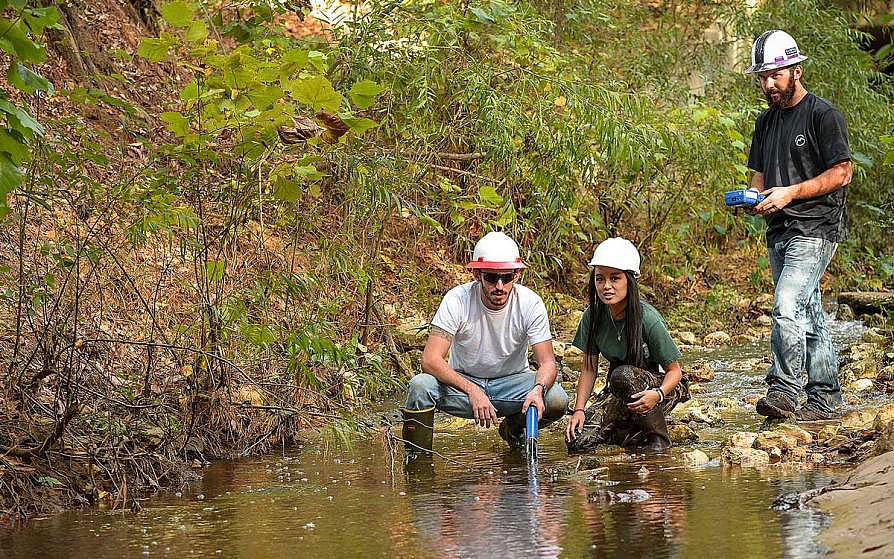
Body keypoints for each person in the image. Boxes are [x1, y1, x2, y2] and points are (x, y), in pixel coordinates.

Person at [744, 30, 853, 422]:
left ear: (796, 70)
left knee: (786, 304)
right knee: (808, 311)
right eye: (762, 77)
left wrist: (790, 193)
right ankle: (825, 398)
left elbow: (842, 173)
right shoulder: (765, 122)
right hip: (779, 229)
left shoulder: (823, 115)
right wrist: (752, 199)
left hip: (817, 226)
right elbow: (758, 178)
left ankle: (783, 389)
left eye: (775, 75)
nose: (768, 84)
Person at [401, 232, 570, 456]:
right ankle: (418, 462)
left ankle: (514, 429)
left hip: (512, 385)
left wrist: (538, 390)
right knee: (420, 386)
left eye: (506, 278)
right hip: (463, 385)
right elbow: (430, 360)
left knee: (556, 398)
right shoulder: (457, 300)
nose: (499, 286)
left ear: (517, 275)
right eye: (491, 277)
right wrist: (472, 390)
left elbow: (547, 362)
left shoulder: (530, 303)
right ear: (477, 275)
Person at [565, 238, 688, 453]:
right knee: (578, 441)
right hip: (618, 391)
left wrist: (657, 395)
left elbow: (675, 371)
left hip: (659, 387)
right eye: (600, 279)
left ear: (629, 281)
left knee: (622, 375)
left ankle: (659, 441)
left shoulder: (648, 318)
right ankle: (629, 431)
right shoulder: (592, 317)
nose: (606, 286)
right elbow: (588, 369)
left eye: (615, 278)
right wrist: (579, 410)